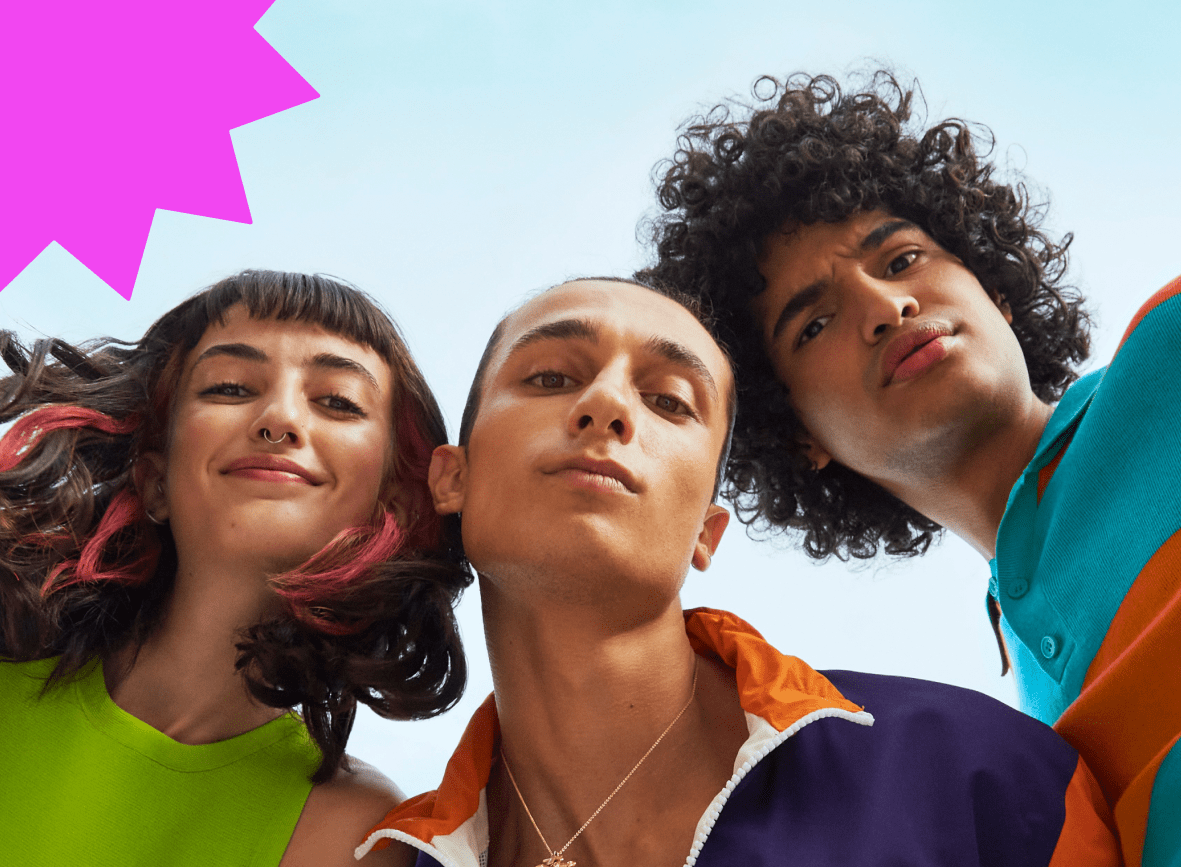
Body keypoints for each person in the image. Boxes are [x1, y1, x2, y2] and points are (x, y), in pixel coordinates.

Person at [356, 277, 1118, 867]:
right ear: (450, 478)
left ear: (707, 532)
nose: (606, 406)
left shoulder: (971, 776)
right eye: (551, 377)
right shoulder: (378, 859)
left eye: (669, 400)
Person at [637, 71, 1181, 867]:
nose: (887, 307)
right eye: (815, 322)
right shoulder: (1013, 729)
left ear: (992, 285)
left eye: (903, 258)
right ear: (796, 437)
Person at [0, 270, 471, 866]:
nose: (279, 419)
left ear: (389, 509)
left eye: (338, 402)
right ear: (155, 481)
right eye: (230, 388)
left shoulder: (354, 832)